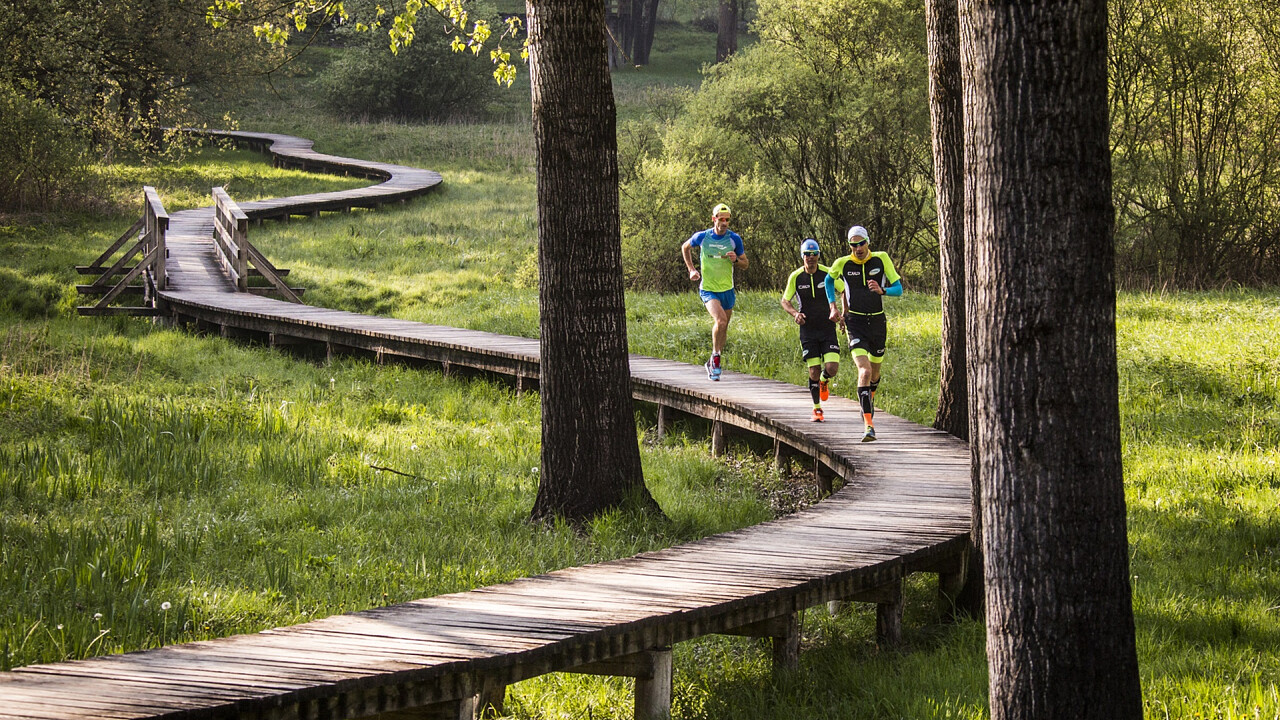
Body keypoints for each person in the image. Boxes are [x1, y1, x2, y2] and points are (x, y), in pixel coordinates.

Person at [827, 225, 903, 441]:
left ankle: (867, 402)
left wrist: (883, 290)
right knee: (865, 371)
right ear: (849, 245)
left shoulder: (881, 259)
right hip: (855, 322)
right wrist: (833, 306)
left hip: (878, 322)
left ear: (868, 242)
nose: (858, 248)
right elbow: (828, 280)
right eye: (853, 245)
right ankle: (868, 424)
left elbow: (899, 289)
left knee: (875, 373)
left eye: (861, 243)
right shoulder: (842, 263)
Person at [682, 203, 748, 381]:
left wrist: (736, 260)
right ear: (714, 219)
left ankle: (713, 359)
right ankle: (716, 358)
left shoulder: (735, 239)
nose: (724, 223)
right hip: (709, 289)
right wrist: (691, 270)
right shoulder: (703, 237)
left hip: (727, 289)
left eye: (727, 219)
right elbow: (685, 247)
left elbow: (745, 263)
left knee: (724, 326)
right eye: (721, 219)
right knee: (720, 320)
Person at [780, 238, 842, 422]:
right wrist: (795, 314)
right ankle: (817, 410)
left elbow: (844, 289)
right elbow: (785, 300)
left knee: (832, 368)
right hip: (808, 329)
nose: (811, 258)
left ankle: (824, 380)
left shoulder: (827, 273)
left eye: (814, 254)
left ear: (819, 256)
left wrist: (840, 311)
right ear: (802, 256)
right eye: (807, 254)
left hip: (827, 327)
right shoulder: (796, 277)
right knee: (813, 370)